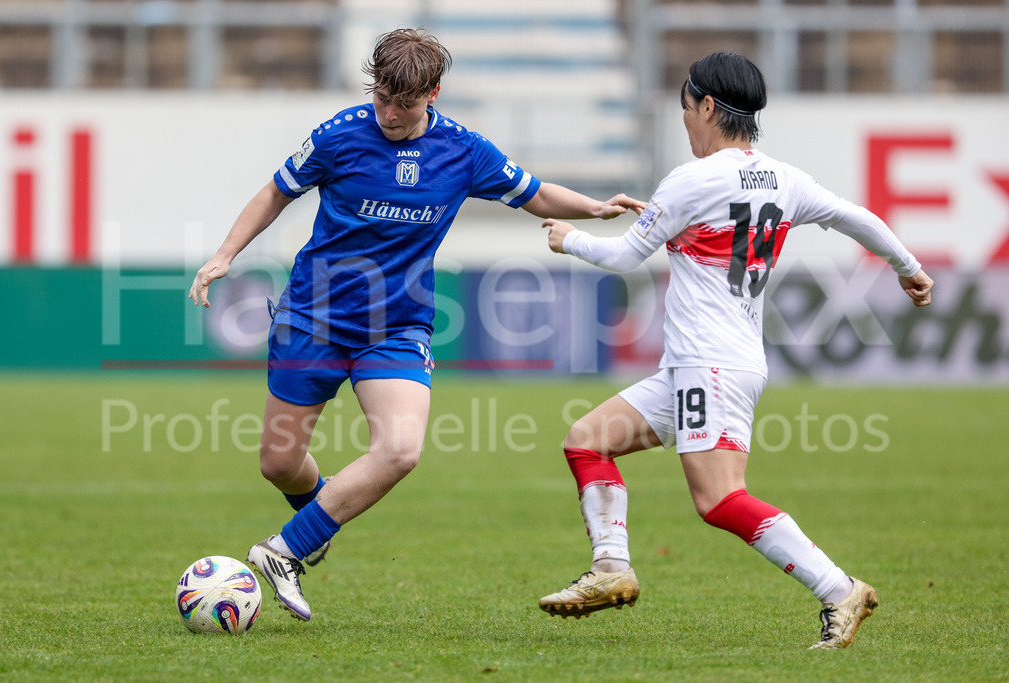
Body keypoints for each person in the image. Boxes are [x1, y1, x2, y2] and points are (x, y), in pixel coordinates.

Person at [187, 27, 644, 622]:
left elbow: (534, 194)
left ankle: (284, 551)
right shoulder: (339, 135)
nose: (388, 113)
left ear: (432, 92)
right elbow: (275, 192)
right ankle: (316, 520)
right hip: (312, 318)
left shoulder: (464, 151)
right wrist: (225, 254)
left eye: (403, 103)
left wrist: (594, 207)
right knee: (278, 462)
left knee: (400, 450)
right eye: (380, 97)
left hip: (396, 327)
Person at [537, 52, 933, 649]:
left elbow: (622, 258)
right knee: (587, 440)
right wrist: (909, 268)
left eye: (686, 110)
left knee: (720, 498)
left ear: (705, 106)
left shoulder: (691, 179)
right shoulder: (784, 178)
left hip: (709, 363)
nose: (686, 124)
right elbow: (857, 218)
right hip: (716, 360)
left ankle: (838, 588)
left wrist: (570, 240)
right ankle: (611, 569)